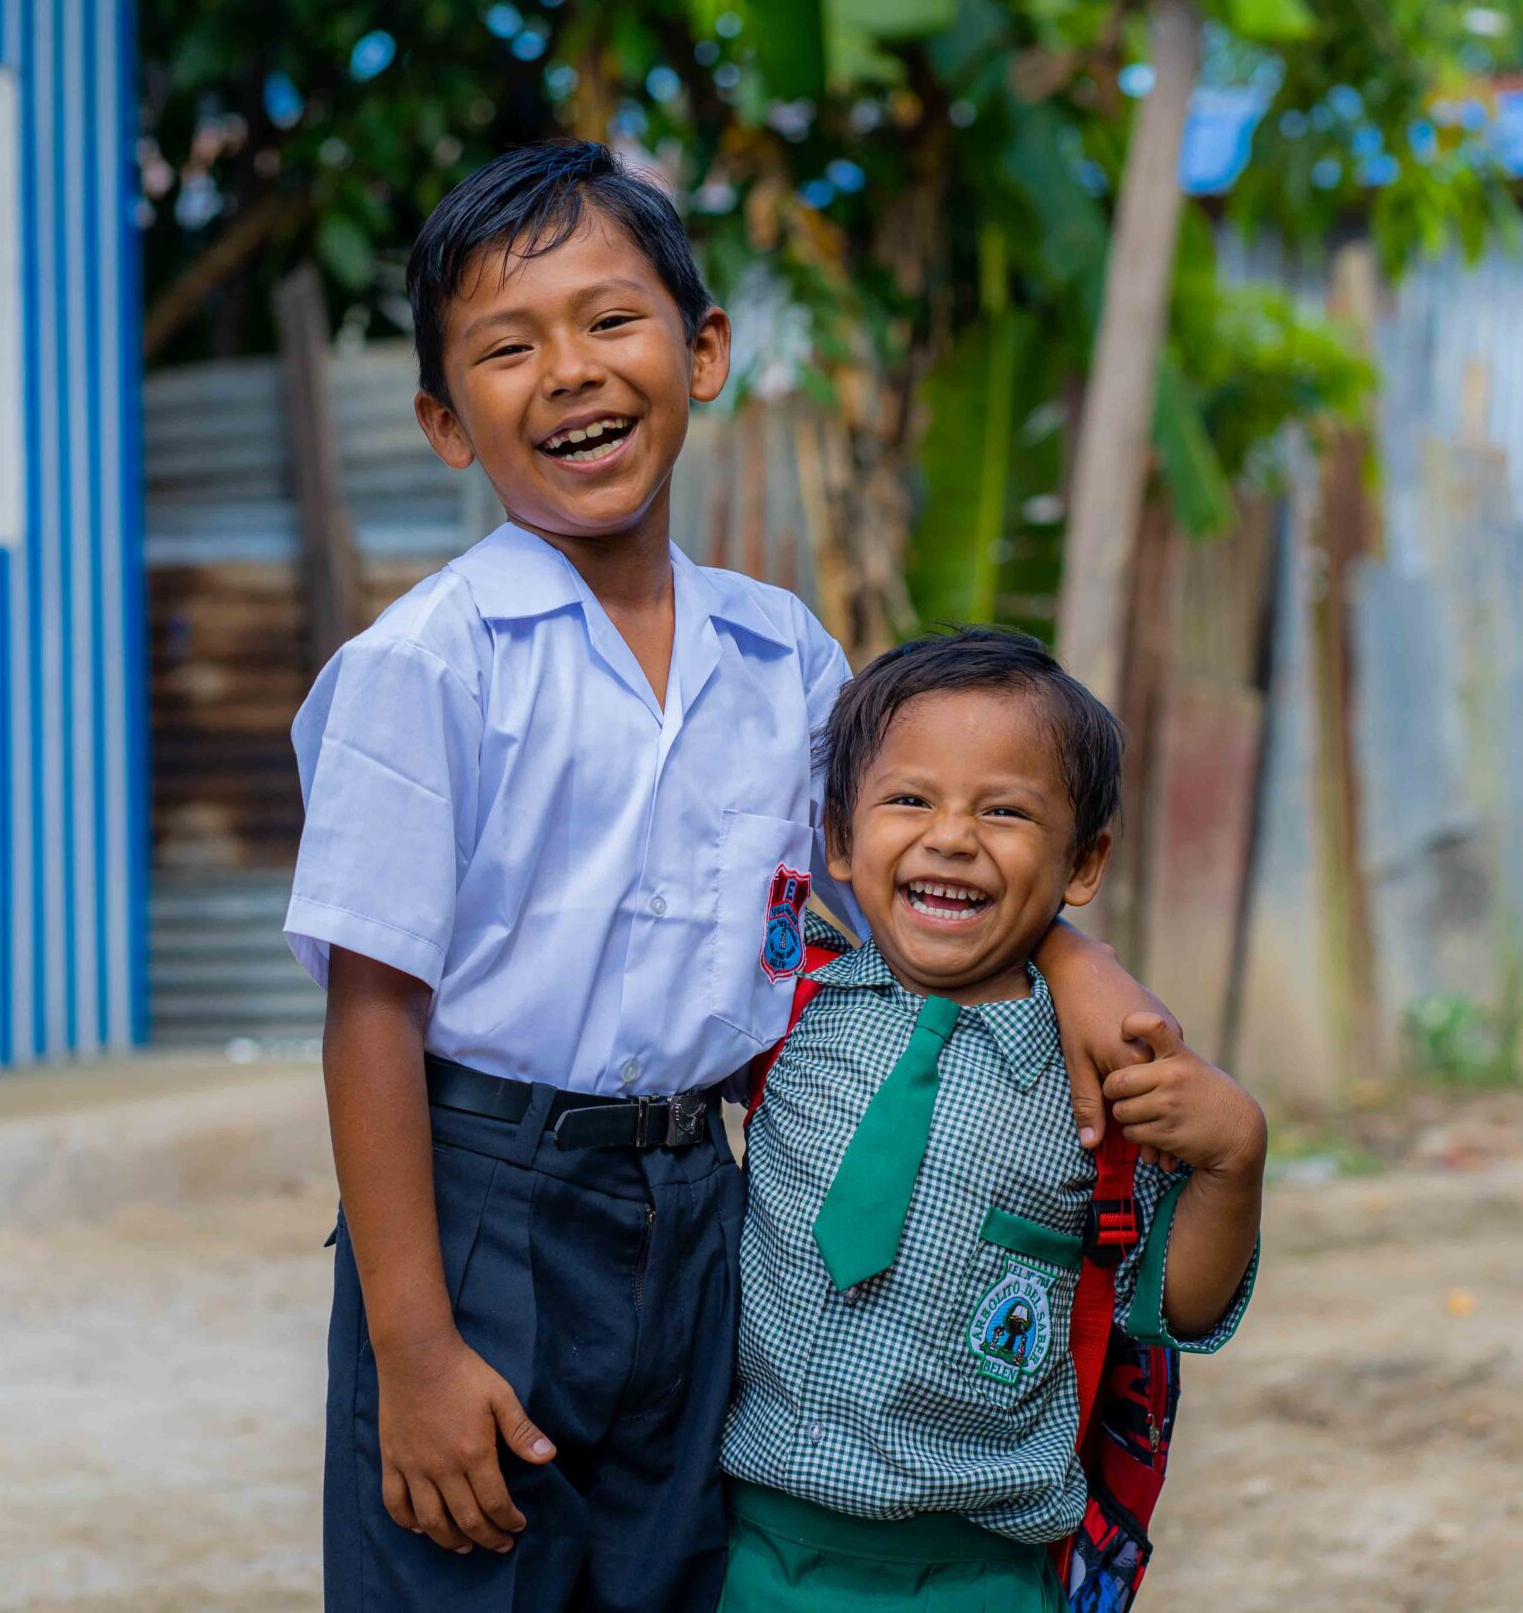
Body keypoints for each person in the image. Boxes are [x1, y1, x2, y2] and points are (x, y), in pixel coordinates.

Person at [286, 140, 1182, 1613]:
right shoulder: (426, 666)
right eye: (509, 348)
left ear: (702, 351)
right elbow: (371, 1012)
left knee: (668, 1577)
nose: (569, 371)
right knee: (461, 1567)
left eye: (611, 320)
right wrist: (415, 1345)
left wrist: (1072, 955)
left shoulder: (783, 657)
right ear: (450, 420)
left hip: (704, 1208)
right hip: (481, 1202)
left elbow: (891, 879)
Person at [719, 627, 1268, 1612]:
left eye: (1005, 811)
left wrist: (1234, 1162)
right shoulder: (781, 1004)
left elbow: (1176, 1308)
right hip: (746, 1549)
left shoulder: (1104, 1085)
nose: (951, 836)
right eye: (908, 799)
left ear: (1083, 862)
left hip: (981, 1574)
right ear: (839, 838)